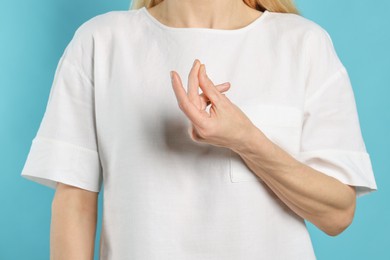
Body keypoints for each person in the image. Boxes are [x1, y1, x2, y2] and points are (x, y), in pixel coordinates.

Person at [20, 0, 378, 259]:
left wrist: (246, 140)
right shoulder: (100, 41)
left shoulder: (303, 44)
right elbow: (75, 201)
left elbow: (338, 214)